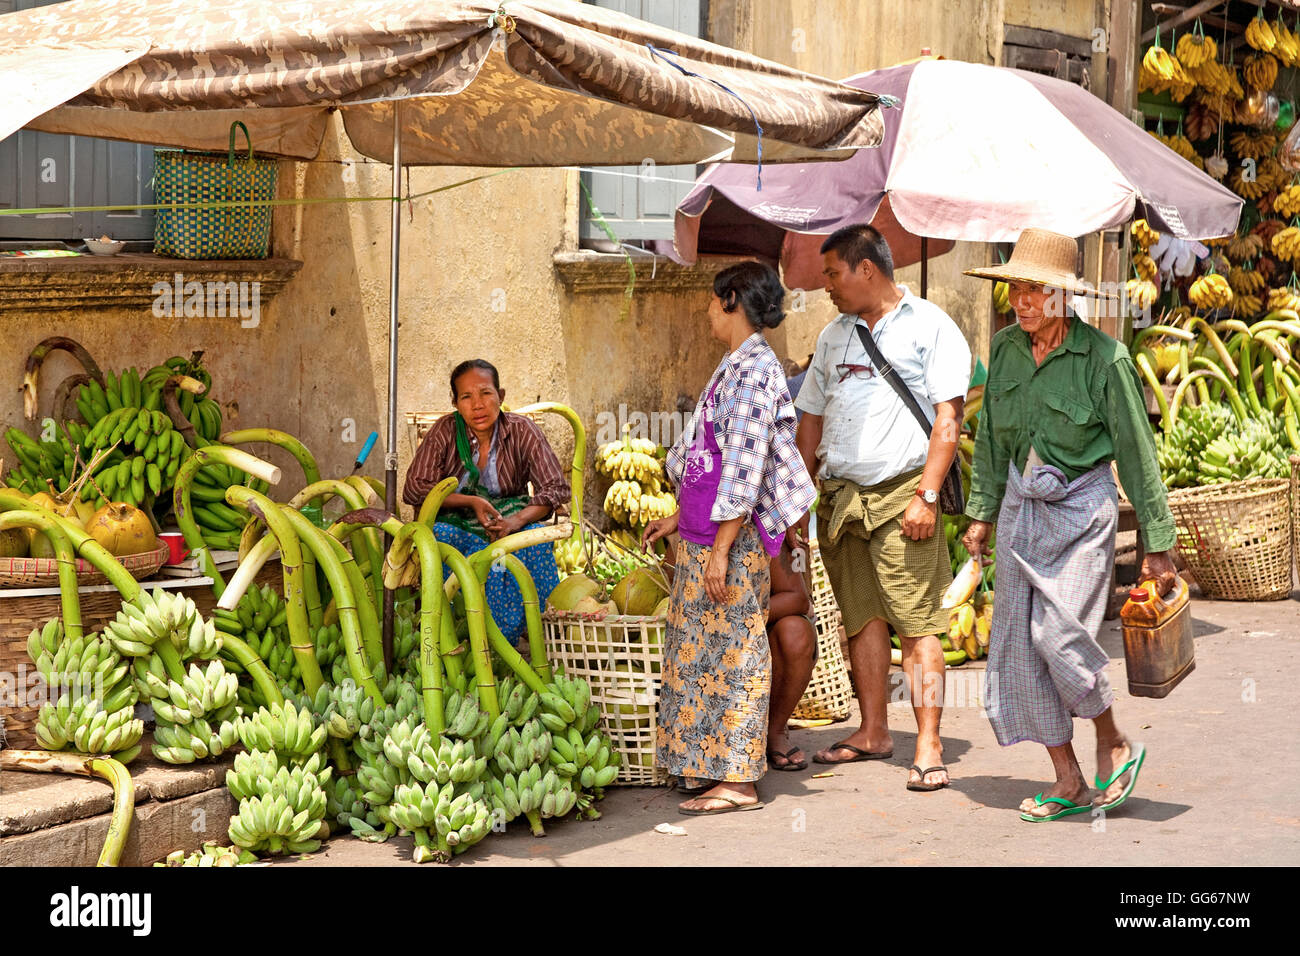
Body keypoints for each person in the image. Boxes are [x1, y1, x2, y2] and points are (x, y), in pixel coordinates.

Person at [963, 228, 1177, 821]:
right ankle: (1068, 779)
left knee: (1058, 637)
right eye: (1016, 289)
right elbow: (989, 442)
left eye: (1034, 290)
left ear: (1064, 297)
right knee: (1018, 649)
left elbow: (1136, 452)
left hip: (1081, 512)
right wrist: (981, 512)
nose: (1021, 301)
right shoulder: (1006, 349)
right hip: (1019, 510)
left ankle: (1111, 738)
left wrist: (1157, 543)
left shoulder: (1105, 361)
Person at [794, 223, 970, 792]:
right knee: (861, 619)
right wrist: (801, 495)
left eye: (832, 273)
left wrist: (925, 495)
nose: (826, 286)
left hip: (903, 495)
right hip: (842, 500)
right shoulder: (833, 337)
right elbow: (812, 420)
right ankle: (873, 731)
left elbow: (948, 418)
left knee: (918, 625)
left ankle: (929, 741)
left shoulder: (930, 328)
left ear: (865, 269)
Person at [643, 261, 816, 815]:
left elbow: (743, 465)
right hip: (703, 533)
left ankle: (739, 780)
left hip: (730, 542)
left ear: (732, 299)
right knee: (698, 653)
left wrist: (720, 549)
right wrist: (680, 519)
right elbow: (705, 452)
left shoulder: (756, 372)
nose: (705, 310)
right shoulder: (734, 364)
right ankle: (703, 764)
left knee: (737, 653)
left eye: (710, 300)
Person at [402, 359, 570, 644]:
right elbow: (415, 489)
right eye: (466, 397)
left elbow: (555, 489)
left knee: (536, 544)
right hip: (459, 526)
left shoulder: (522, 431)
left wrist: (516, 521)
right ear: (455, 402)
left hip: (511, 524)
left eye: (485, 393)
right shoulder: (444, 432)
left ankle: (536, 638)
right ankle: (457, 637)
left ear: (500, 396)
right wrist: (470, 501)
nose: (477, 405)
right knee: (440, 540)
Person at [765, 531, 817, 771]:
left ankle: (774, 729)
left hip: (757, 629)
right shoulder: (688, 522)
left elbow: (798, 599)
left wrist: (740, 617)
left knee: (795, 631)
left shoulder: (766, 524)